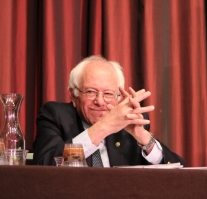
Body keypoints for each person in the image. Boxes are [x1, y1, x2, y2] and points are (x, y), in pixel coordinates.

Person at [33, 55, 184, 166]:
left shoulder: (131, 120)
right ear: (74, 94)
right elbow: (46, 165)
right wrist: (104, 127)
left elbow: (177, 170)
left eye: (108, 94)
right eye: (91, 92)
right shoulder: (55, 115)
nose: (100, 101)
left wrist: (145, 139)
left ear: (118, 97)